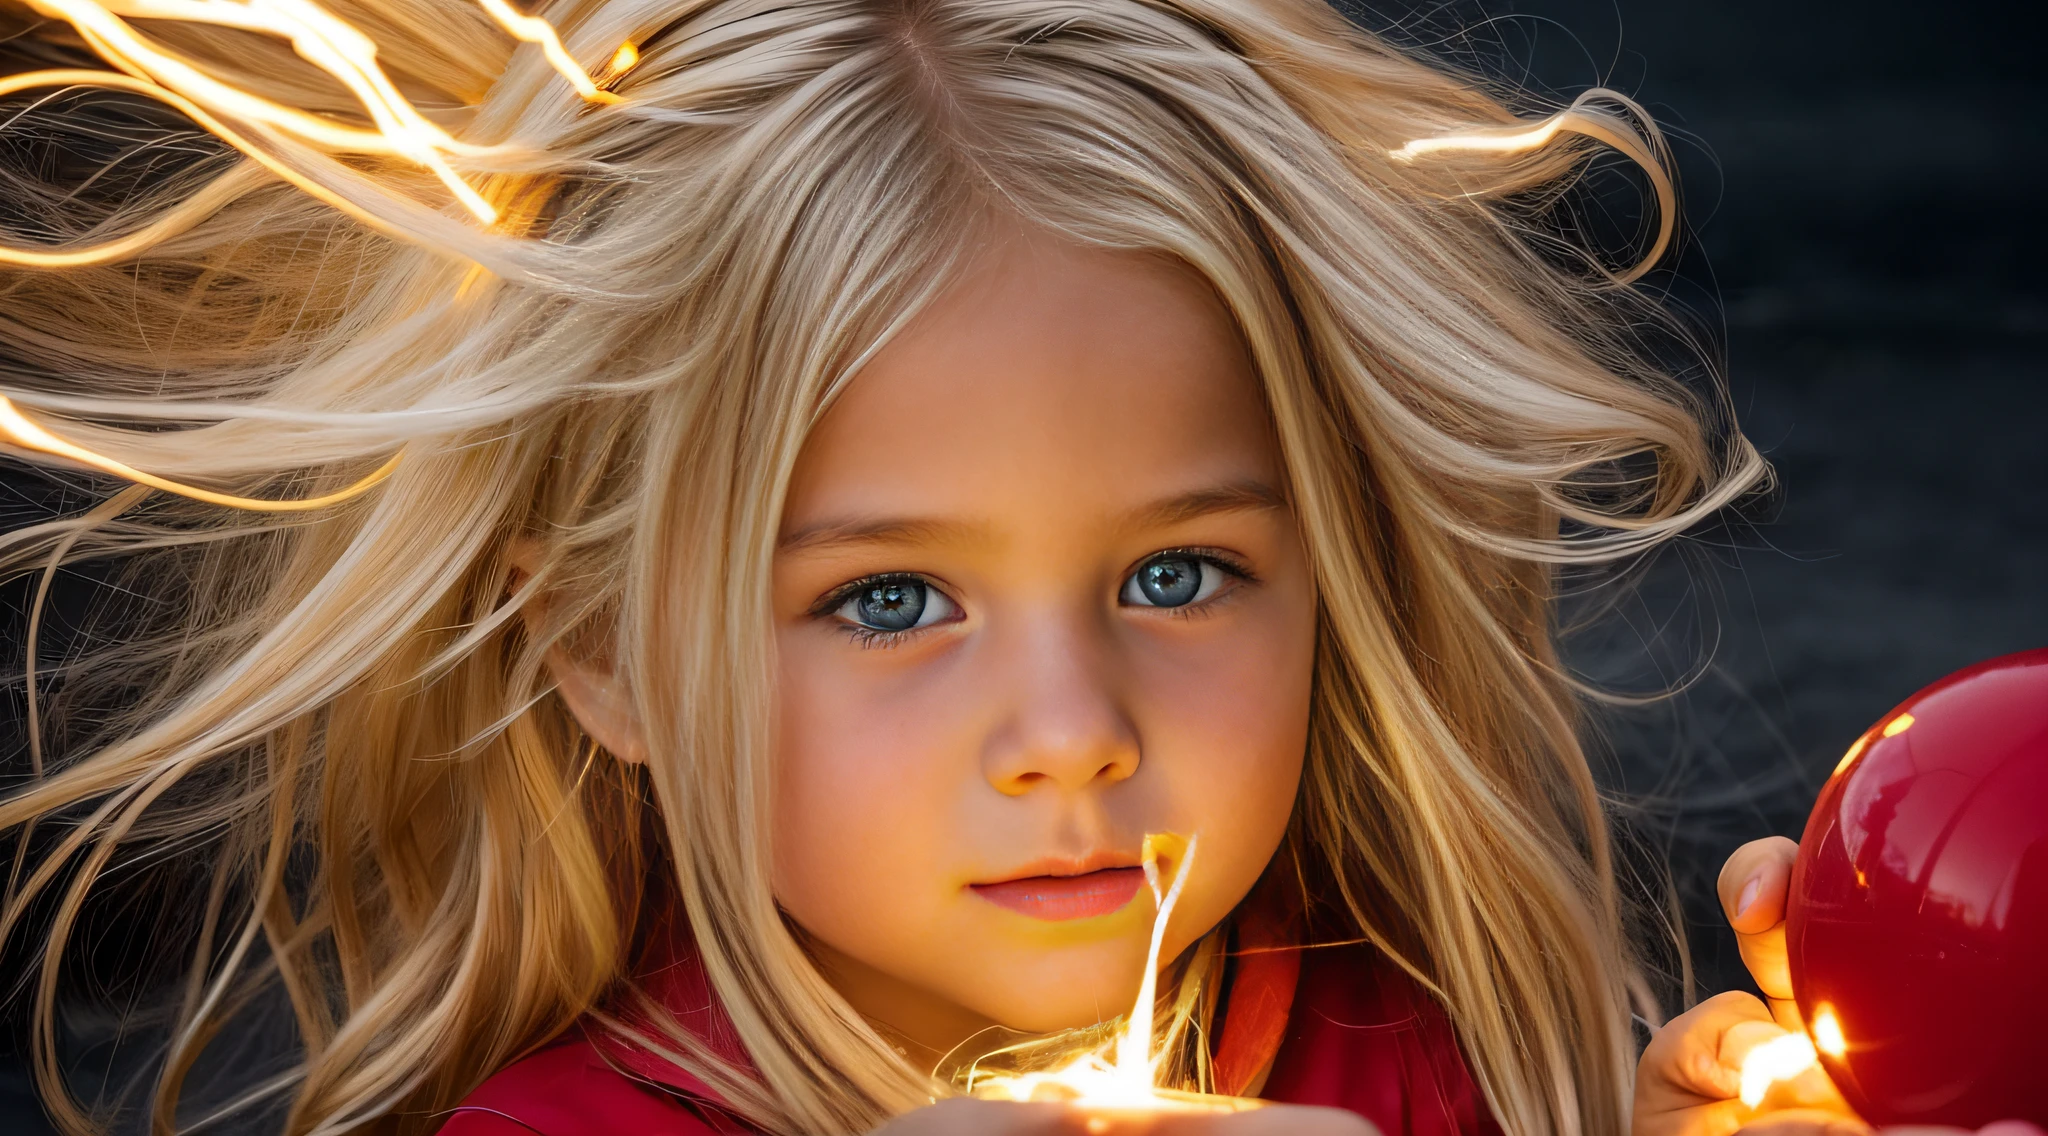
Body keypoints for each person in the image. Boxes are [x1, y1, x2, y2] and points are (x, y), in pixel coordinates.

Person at [0, 1, 1943, 1134]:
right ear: (598, 644)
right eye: (889, 600)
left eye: (1178, 574)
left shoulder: (1415, 1049)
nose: (1069, 736)